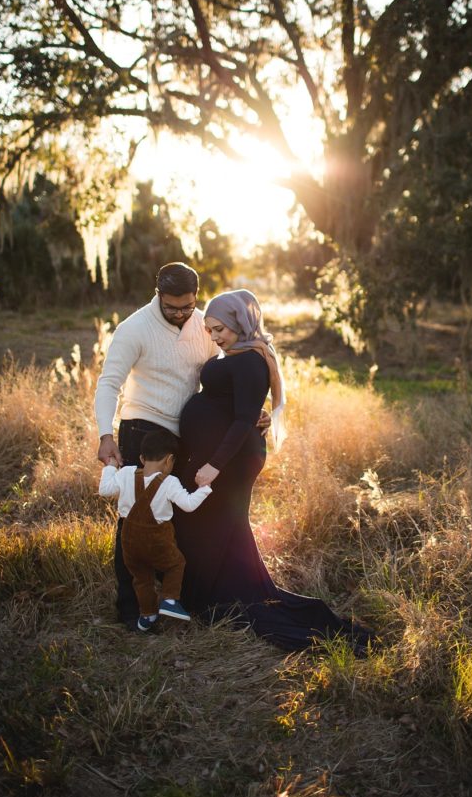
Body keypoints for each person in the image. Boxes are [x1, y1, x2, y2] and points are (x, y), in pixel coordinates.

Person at [173, 288, 373, 655]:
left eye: (220, 329)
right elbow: (243, 407)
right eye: (210, 330)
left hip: (229, 463)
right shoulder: (240, 353)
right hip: (221, 459)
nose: (215, 337)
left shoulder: (250, 359)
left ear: (238, 321)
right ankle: (211, 594)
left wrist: (213, 467)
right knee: (219, 528)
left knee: (212, 524)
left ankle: (220, 597)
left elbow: (244, 418)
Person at [94, 261, 269, 629]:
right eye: (172, 307)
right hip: (144, 429)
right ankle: (131, 607)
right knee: (136, 520)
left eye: (187, 306)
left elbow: (226, 377)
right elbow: (109, 383)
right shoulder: (134, 329)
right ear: (158, 294)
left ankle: (178, 597)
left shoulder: (205, 324)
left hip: (187, 438)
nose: (179, 313)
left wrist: (253, 411)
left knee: (178, 519)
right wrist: (105, 434)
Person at [99, 430, 212, 633]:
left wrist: (110, 467)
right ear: (170, 460)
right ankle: (169, 600)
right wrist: (204, 488)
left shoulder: (125, 473)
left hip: (129, 542)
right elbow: (188, 505)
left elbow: (105, 490)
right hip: (156, 541)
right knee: (175, 564)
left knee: (141, 578)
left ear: (142, 458)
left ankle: (147, 613)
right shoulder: (170, 482)